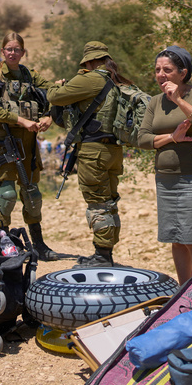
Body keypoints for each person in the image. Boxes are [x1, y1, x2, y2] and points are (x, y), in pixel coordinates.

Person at [137, 46, 192, 284]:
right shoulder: (154, 102)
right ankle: (183, 292)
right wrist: (172, 137)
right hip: (166, 178)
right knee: (177, 238)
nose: (161, 74)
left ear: (183, 73)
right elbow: (142, 139)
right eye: (157, 70)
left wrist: (179, 100)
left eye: (167, 70)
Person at [0, 31, 62, 260]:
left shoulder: (30, 75)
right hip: (4, 143)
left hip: (28, 144)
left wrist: (48, 116)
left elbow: (54, 92)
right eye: (9, 49)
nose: (13, 53)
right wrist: (22, 120)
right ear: (3, 51)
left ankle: (38, 244)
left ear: (23, 52)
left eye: (17, 49)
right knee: (6, 195)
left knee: (33, 195)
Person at [47, 41, 128, 266]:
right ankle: (106, 252)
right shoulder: (115, 79)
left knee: (98, 204)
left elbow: (56, 97)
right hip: (114, 149)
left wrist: (55, 86)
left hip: (94, 152)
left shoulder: (91, 78)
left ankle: (102, 257)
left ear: (90, 61)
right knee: (109, 202)